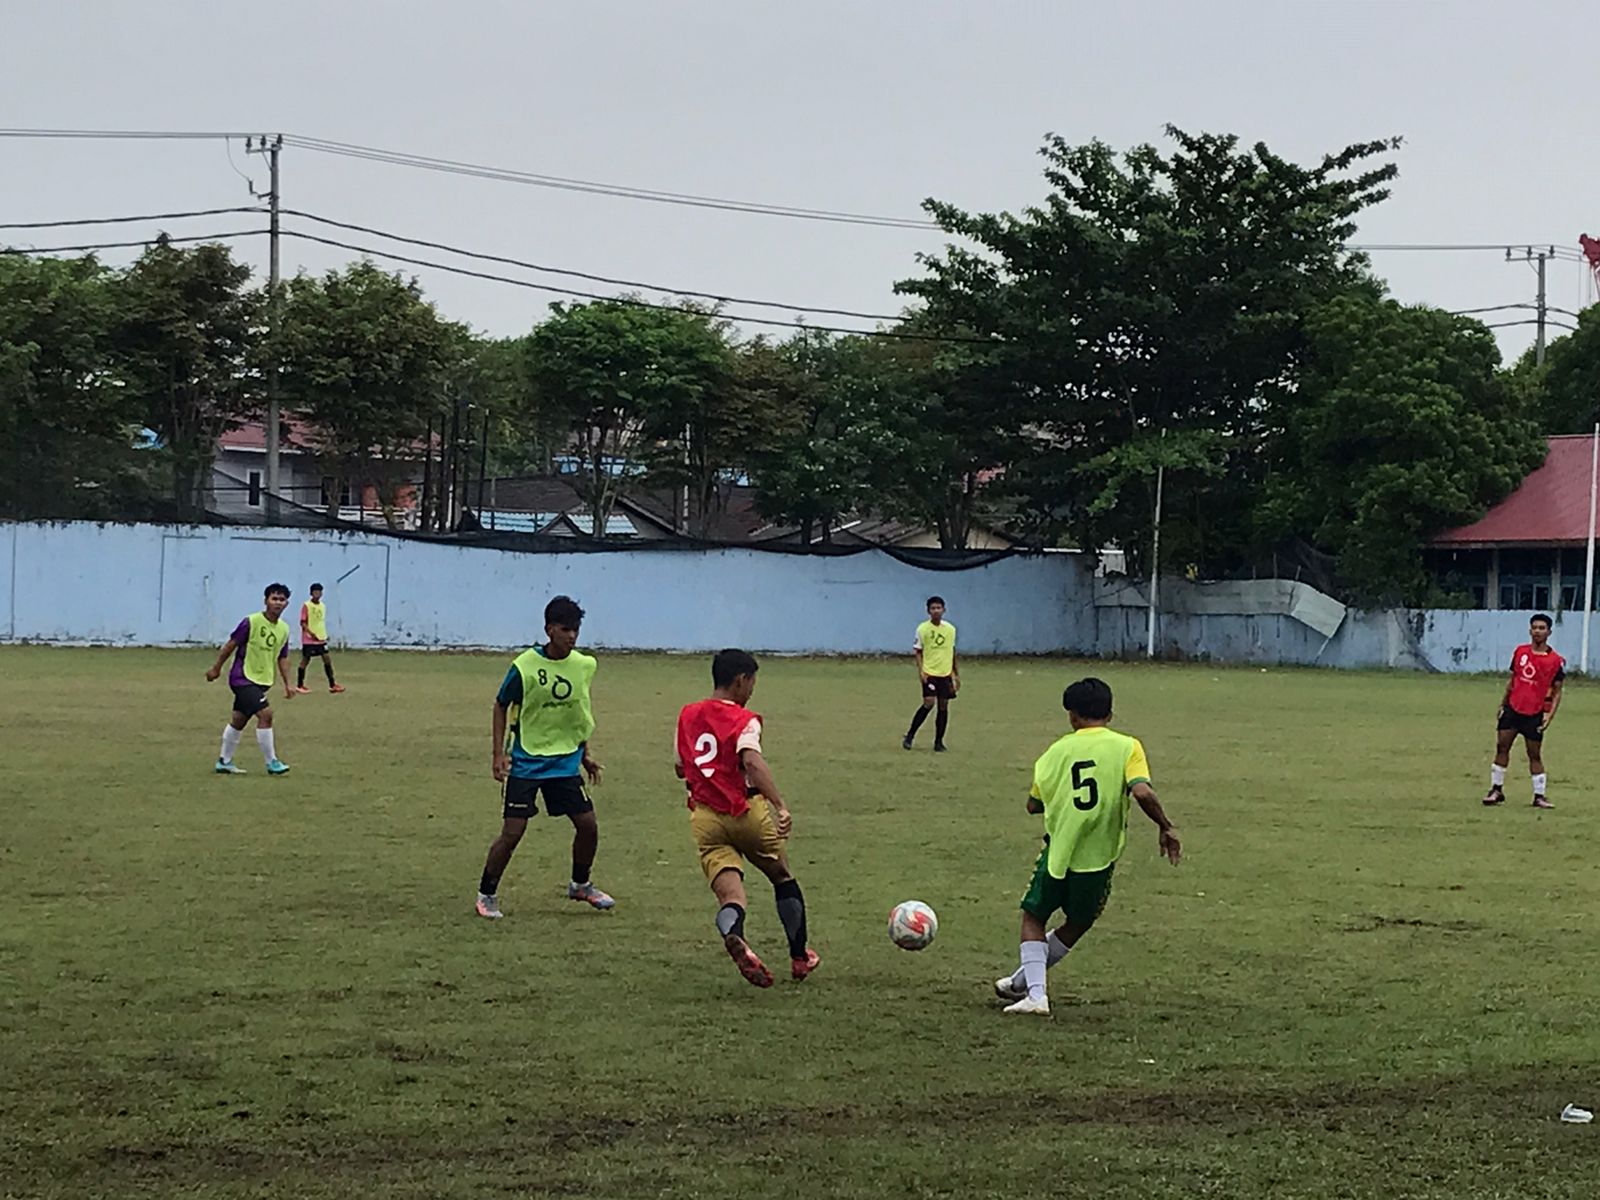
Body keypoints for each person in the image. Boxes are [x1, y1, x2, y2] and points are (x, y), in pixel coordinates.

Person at [994, 677, 1180, 1016]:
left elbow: (1033, 805)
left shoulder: (1055, 752)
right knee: (1078, 922)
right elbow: (1142, 791)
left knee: (1034, 916)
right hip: (1099, 857)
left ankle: (1034, 992)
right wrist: (1165, 825)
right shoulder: (1128, 747)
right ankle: (1024, 984)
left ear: (1072, 715)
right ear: (1110, 714)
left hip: (1060, 852)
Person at [675, 648, 819, 988]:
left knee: (732, 897)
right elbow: (752, 761)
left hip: (705, 819)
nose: (752, 690)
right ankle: (799, 957)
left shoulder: (688, 714)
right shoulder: (744, 720)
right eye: (752, 682)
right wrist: (780, 804)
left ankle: (735, 933)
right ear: (741, 680)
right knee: (782, 876)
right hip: (745, 812)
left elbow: (680, 766)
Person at [475, 595, 614, 919]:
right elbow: (500, 705)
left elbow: (575, 714)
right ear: (549, 629)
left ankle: (580, 885)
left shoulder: (583, 665)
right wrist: (498, 754)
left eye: (576, 629)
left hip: (564, 762)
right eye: (566, 629)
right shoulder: (524, 667)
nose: (572, 636)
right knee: (513, 832)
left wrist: (585, 754)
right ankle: (486, 894)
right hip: (527, 761)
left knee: (588, 826)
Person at [205, 582, 296, 776]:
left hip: (261, 681)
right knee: (266, 715)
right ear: (266, 601)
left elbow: (283, 657)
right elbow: (231, 645)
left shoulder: (284, 629)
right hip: (243, 678)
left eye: (282, 599)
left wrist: (288, 683)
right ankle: (272, 762)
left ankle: (224, 761)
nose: (278, 603)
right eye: (274, 598)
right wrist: (216, 668)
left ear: (287, 603)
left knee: (239, 720)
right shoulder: (251, 622)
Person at [1484, 613, 1565, 810]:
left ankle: (1539, 796)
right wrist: (1503, 704)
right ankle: (1496, 790)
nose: (1537, 631)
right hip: (1513, 709)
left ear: (1549, 632)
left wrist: (1549, 715)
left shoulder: (1555, 660)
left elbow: (1557, 691)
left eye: (1542, 628)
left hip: (1534, 713)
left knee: (1534, 754)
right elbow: (1513, 680)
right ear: (1530, 630)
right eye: (1534, 627)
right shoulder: (1520, 652)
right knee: (1502, 748)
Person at [903, 595, 959, 752]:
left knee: (943, 706)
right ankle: (910, 735)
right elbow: (918, 652)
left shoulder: (950, 629)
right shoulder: (923, 629)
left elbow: (952, 651)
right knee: (929, 703)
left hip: (945, 673)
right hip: (930, 673)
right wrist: (921, 671)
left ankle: (939, 742)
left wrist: (955, 674)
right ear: (928, 611)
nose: (936, 611)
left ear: (944, 610)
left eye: (938, 608)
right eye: (933, 608)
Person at [295, 583, 345, 694]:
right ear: (311, 593)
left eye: (319, 591)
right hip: (309, 640)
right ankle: (299, 685)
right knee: (305, 660)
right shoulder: (307, 605)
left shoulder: (322, 606)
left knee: (327, 659)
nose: (317, 593)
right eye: (315, 591)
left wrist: (323, 635)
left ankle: (332, 685)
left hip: (321, 639)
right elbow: (303, 622)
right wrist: (310, 633)